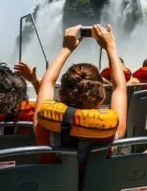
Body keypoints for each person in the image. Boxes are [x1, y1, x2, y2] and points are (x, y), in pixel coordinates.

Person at [34, 25, 127, 158]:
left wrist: (66, 48)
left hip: (57, 179)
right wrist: (110, 47)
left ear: (60, 93)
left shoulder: (43, 126)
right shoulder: (113, 130)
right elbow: (120, 89)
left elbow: (47, 84)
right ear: (102, 97)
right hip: (97, 179)